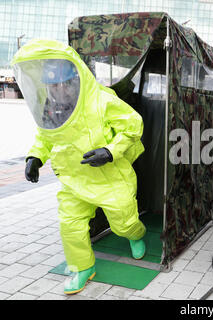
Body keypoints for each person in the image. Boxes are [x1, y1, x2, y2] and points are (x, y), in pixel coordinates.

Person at [12, 39, 147, 295]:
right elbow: (45, 136)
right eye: (53, 86)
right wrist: (35, 158)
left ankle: (135, 235)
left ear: (75, 79)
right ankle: (82, 267)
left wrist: (109, 152)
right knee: (70, 225)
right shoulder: (50, 108)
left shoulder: (101, 99)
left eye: (63, 84)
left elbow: (133, 125)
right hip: (73, 179)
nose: (58, 91)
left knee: (123, 222)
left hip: (110, 177)